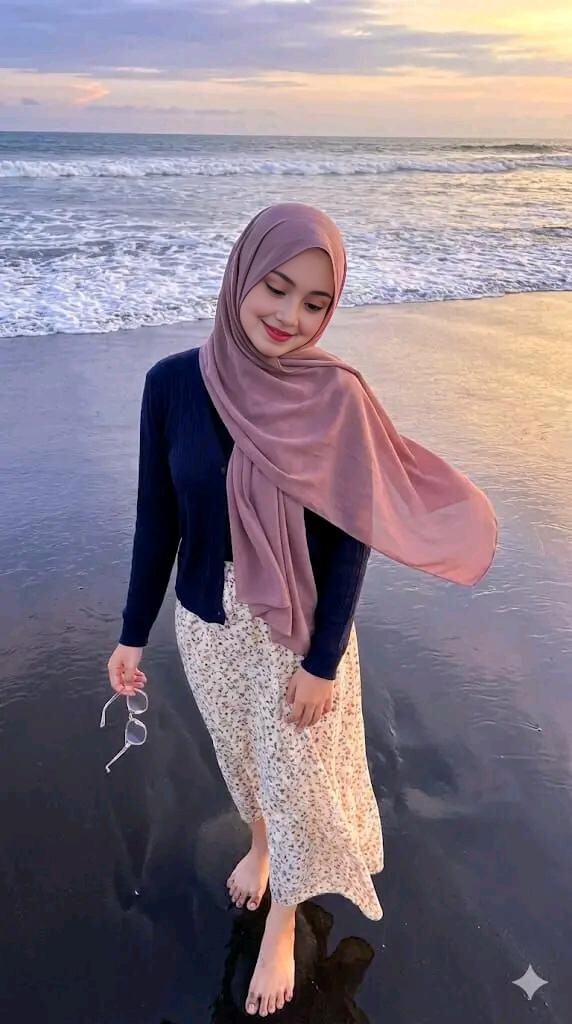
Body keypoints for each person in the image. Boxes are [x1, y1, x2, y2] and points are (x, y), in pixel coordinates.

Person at [107, 202, 498, 1017]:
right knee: (247, 765)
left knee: (296, 782)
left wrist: (322, 661)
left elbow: (351, 540)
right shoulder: (171, 385)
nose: (290, 316)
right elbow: (157, 518)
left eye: (316, 303)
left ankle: (283, 923)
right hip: (207, 623)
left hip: (296, 630)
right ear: (241, 276)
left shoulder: (335, 397)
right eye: (276, 288)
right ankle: (260, 849)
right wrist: (131, 635)